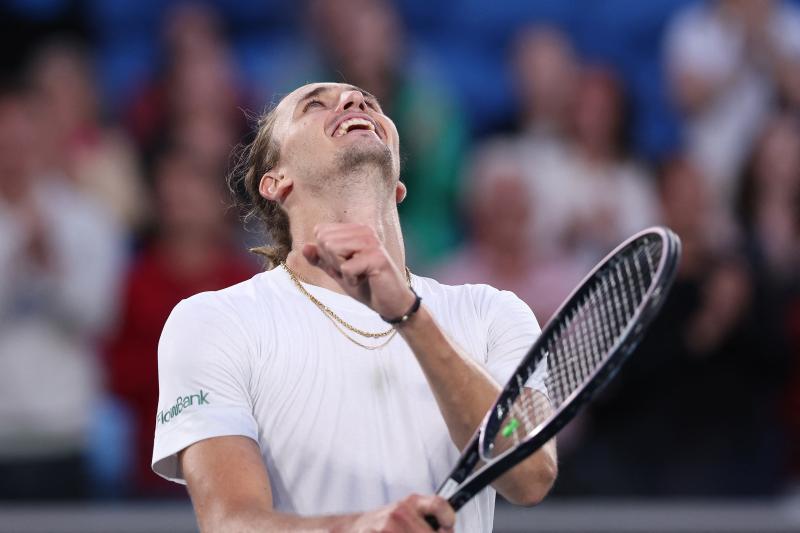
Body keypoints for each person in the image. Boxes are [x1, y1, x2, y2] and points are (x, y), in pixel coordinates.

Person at [151, 82, 557, 532]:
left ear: (398, 183)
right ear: (276, 179)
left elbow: (530, 474)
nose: (353, 102)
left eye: (368, 103)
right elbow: (231, 522)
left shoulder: (492, 314)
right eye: (315, 105)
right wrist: (361, 527)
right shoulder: (214, 322)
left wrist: (410, 315)